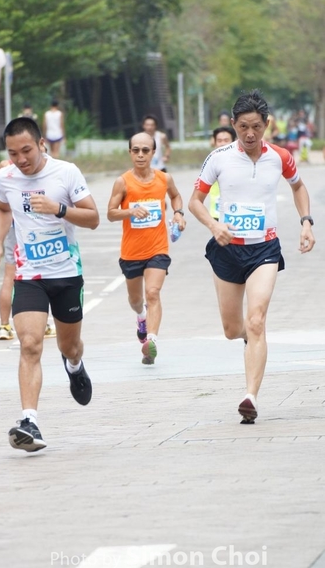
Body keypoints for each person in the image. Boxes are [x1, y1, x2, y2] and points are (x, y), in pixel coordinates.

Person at [189, 89, 315, 424]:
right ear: (233, 124)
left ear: (266, 125)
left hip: (264, 249)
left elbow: (298, 187)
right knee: (233, 329)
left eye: (256, 127)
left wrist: (306, 222)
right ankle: (249, 339)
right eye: (243, 126)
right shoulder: (219, 158)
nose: (249, 134)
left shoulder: (280, 156)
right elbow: (195, 202)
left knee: (257, 319)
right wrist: (214, 225)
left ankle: (250, 396)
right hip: (227, 249)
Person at [0, 117, 99, 452]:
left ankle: (74, 365)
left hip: (66, 274)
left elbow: (93, 218)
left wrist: (58, 209)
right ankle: (29, 421)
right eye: (12, 153)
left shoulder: (66, 173)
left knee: (69, 345)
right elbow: (2, 209)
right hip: (29, 275)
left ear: (41, 144)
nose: (20, 159)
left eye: (26, 150)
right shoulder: (6, 177)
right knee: (30, 344)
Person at [107, 131, 186, 365]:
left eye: (145, 150)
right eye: (136, 151)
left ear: (153, 153)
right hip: (131, 252)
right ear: (130, 153)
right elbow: (110, 213)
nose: (140, 155)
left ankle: (150, 342)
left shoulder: (164, 178)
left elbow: (176, 196)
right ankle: (141, 317)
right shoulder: (122, 182)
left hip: (157, 249)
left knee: (153, 293)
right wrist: (130, 211)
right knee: (135, 299)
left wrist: (178, 213)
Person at [0, 159, 56, 341]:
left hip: (21, 231)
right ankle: (38, 324)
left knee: (12, 276)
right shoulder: (13, 167)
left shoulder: (5, 168)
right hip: (25, 231)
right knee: (37, 277)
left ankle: (5, 326)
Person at [208, 126, 236, 220]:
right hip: (217, 212)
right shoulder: (210, 162)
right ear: (215, 143)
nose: (223, 144)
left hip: (237, 212)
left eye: (226, 140)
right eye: (219, 141)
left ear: (234, 141)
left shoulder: (242, 161)